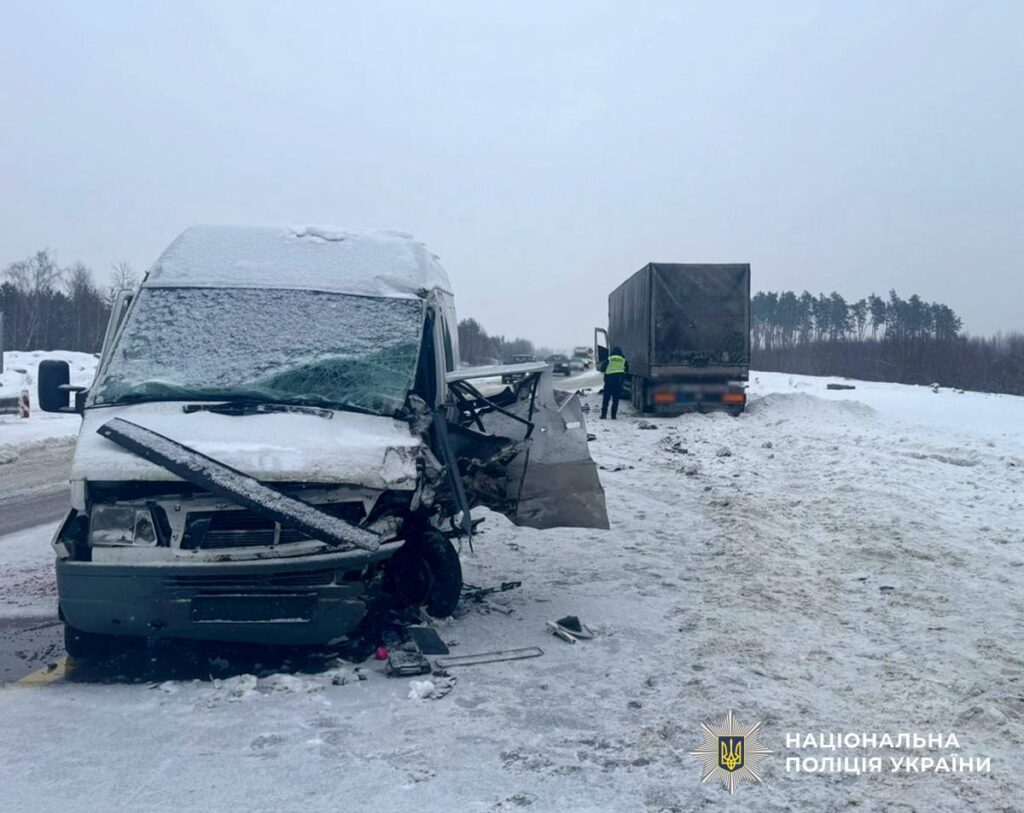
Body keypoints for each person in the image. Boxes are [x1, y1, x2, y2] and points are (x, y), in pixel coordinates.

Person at [598, 346, 628, 419]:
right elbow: (626, 370)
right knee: (615, 400)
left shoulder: (609, 359)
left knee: (606, 399)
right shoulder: (623, 360)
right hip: (618, 382)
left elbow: (602, 368)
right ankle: (613, 415)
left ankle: (603, 415)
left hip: (609, 382)